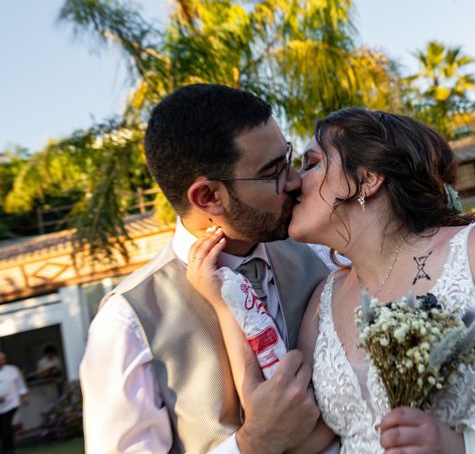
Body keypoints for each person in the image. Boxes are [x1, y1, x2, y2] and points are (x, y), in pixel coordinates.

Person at [188, 107, 475, 453]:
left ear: (366, 179)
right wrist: (227, 300)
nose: (294, 183)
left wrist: (465, 447)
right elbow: (295, 434)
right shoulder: (323, 301)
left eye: (311, 164)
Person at [80, 84, 332, 454]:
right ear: (208, 197)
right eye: (272, 172)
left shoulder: (321, 254)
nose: (295, 181)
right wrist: (252, 444)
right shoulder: (126, 324)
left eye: (288, 159)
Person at [0, 352, 28, 454]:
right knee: (3, 430)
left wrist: (24, 396)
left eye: (3, 359)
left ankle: (8, 450)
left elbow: (20, 384)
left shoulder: (12, 369)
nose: (2, 361)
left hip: (12, 404)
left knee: (7, 428)